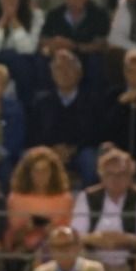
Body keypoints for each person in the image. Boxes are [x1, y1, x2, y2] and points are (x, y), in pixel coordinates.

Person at [73, 146, 136, 271]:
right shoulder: (87, 196)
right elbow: (76, 235)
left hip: (129, 261)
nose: (115, 179)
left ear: (130, 176)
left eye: (121, 174)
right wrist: (98, 239)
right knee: (75, 254)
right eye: (110, 174)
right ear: (101, 176)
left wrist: (122, 240)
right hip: (93, 261)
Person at [33, 49, 102, 186]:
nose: (64, 72)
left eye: (69, 67)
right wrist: (52, 150)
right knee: (31, 159)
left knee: (90, 160)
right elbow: (34, 133)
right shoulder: (41, 101)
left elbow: (96, 133)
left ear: (79, 73)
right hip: (49, 151)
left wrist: (72, 149)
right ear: (52, 74)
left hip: (80, 151)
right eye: (59, 68)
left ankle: (89, 203)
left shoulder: (92, 100)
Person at [39, 0, 111, 92]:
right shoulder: (55, 14)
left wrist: (74, 46)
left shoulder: (99, 15)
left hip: (86, 59)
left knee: (96, 62)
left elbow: (101, 44)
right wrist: (53, 45)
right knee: (42, 60)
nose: (72, 1)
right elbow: (43, 40)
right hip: (59, 58)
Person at [4, 146, 74, 257]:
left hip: (56, 250)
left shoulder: (65, 199)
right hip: (24, 251)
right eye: (36, 171)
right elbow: (11, 238)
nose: (40, 175)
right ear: (28, 173)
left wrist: (52, 231)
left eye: (45, 171)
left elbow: (70, 232)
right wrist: (27, 228)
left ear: (53, 173)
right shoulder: (16, 198)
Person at [28, 223, 106, 271]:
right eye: (57, 246)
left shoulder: (94, 270)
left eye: (67, 245)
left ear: (78, 247)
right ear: (51, 250)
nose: (62, 250)